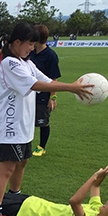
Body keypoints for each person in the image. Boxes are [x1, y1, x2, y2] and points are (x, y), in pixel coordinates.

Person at [0, 22, 94, 216]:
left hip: (24, 123)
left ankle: (14, 198)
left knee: (23, 161)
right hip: (11, 124)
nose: (32, 49)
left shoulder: (26, 62)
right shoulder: (10, 63)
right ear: (17, 42)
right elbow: (35, 85)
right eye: (29, 44)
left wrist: (69, 86)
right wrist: (69, 88)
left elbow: (44, 79)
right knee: (7, 168)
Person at [29, 24, 61, 157]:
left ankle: (42, 146)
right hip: (29, 92)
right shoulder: (30, 53)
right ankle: (26, 144)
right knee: (27, 120)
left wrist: (52, 97)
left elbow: (54, 78)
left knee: (43, 122)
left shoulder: (51, 55)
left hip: (43, 94)